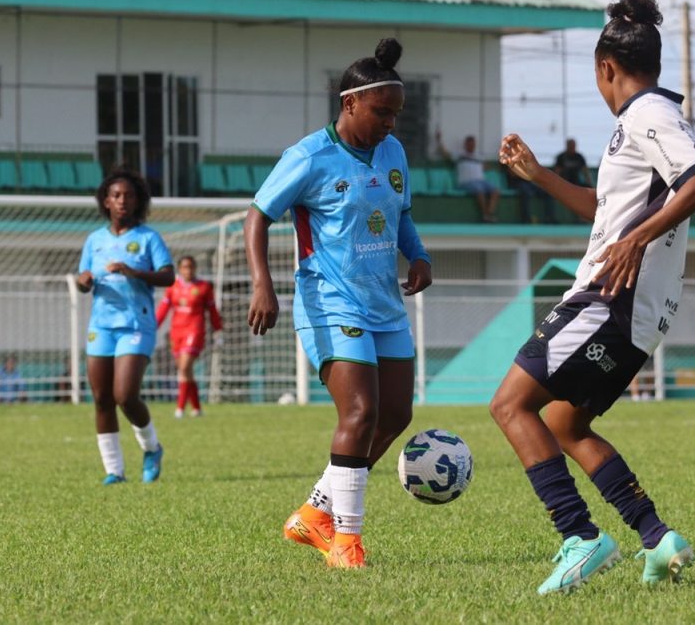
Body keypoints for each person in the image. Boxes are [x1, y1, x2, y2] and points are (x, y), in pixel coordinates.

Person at [490, 0, 695, 595]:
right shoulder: (642, 124)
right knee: (568, 424)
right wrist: (540, 176)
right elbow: (606, 216)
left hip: (606, 301)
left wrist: (638, 241)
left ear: (605, 68)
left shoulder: (647, 116)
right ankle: (656, 536)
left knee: (510, 406)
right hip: (636, 316)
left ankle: (580, 536)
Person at [244, 37, 432, 570]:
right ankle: (346, 540)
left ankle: (314, 512)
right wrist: (264, 284)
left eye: (396, 114)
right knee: (360, 410)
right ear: (350, 103)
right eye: (382, 112)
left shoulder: (393, 152)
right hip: (329, 302)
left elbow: (401, 215)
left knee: (395, 414)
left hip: (385, 304)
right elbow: (257, 216)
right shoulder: (308, 157)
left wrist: (417, 256)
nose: (391, 123)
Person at [76, 169, 174, 485]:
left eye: (128, 195)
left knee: (125, 395)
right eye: (116, 195)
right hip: (101, 326)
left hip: (136, 324)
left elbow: (168, 276)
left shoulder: (148, 238)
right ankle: (114, 471)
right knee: (102, 398)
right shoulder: (94, 240)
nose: (122, 201)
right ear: (106, 201)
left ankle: (151, 448)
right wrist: (84, 281)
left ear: (138, 201)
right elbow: (83, 282)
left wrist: (134, 272)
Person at [156, 255, 224, 418]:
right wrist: (152, 327)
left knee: (184, 368)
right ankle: (197, 408)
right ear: (179, 269)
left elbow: (212, 311)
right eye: (185, 267)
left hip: (195, 330)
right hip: (176, 332)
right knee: (186, 372)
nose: (188, 270)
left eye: (191, 266)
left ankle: (179, 408)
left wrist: (218, 331)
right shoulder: (172, 287)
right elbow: (163, 310)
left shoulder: (204, 287)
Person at [438, 132, 500, 222]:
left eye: (473, 144)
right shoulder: (459, 155)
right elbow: (445, 153)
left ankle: (489, 213)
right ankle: (486, 215)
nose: (471, 146)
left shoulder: (479, 156)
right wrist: (439, 140)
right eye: (469, 144)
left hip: (481, 181)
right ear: (465, 144)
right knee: (479, 191)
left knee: (495, 191)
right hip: (466, 182)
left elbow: (486, 167)